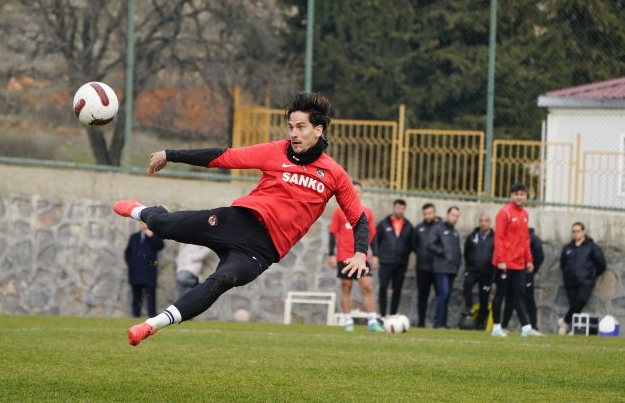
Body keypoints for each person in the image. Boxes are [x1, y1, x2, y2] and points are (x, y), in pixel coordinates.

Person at [114, 92, 371, 346]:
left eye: (300, 127)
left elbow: (359, 219)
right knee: (162, 224)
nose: (293, 133)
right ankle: (139, 210)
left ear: (318, 130)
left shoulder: (335, 174)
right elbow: (222, 157)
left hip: (261, 250)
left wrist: (360, 253)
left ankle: (151, 325)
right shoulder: (275, 151)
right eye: (291, 126)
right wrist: (170, 154)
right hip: (236, 221)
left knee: (220, 281)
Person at [328, 181, 384, 332]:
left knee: (367, 286)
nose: (355, 194)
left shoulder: (367, 212)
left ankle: (372, 321)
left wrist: (376, 255)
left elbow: (371, 235)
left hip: (360, 258)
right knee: (346, 287)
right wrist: (331, 254)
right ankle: (348, 322)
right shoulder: (339, 212)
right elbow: (333, 233)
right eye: (353, 191)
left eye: (358, 191)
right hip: (344, 257)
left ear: (361, 193)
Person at [490, 183, 543, 338]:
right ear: (511, 195)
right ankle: (496, 328)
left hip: (519, 263)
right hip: (505, 262)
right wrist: (501, 260)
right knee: (500, 294)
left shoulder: (525, 214)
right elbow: (499, 238)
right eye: (516, 194)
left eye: (522, 194)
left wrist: (529, 259)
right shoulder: (504, 213)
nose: (519, 197)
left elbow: (525, 239)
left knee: (520, 294)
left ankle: (526, 328)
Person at [557, 222, 606, 335]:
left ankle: (564, 322)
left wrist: (591, 275)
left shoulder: (591, 247)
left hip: (586, 282)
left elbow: (601, 264)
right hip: (570, 282)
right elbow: (563, 264)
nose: (575, 233)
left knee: (581, 301)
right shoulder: (567, 248)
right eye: (573, 231)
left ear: (583, 232)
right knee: (574, 305)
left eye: (578, 231)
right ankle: (574, 330)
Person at [371, 199, 413, 318]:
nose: (400, 210)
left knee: (397, 289)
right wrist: (376, 255)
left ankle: (393, 314)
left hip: (401, 263)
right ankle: (383, 314)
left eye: (402, 209)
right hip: (385, 262)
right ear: (394, 208)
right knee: (383, 287)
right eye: (398, 208)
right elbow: (375, 240)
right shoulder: (384, 224)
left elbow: (411, 243)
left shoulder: (408, 226)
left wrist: (405, 254)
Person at [426, 206, 462, 328]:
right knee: (443, 294)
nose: (454, 218)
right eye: (453, 215)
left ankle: (443, 322)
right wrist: (443, 252)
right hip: (441, 268)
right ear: (447, 214)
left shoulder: (455, 232)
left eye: (457, 216)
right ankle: (438, 322)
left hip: (452, 269)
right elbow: (430, 244)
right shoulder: (438, 228)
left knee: (447, 296)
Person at [502, 227, 544, 330]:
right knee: (510, 299)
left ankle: (533, 326)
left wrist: (531, 270)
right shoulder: (512, 237)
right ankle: (504, 325)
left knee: (528, 299)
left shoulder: (533, 239)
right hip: (513, 271)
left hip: (525, 273)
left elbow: (539, 256)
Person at [124, 222, 165, 318]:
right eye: (142, 223)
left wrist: (152, 236)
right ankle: (135, 314)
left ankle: (152, 315)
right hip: (135, 271)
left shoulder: (154, 236)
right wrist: (131, 265)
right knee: (136, 294)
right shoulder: (134, 237)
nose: (144, 225)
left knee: (150, 294)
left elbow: (160, 246)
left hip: (149, 271)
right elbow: (127, 253)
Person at [462, 213, 495, 330]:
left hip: (487, 272)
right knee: (467, 284)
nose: (483, 223)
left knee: (484, 298)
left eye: (486, 221)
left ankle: (481, 323)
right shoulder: (472, 236)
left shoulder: (494, 238)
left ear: (490, 223)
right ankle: (469, 307)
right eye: (481, 221)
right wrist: (469, 265)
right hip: (472, 269)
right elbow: (466, 252)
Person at [411, 203, 441, 327]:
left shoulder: (441, 227)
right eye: (425, 214)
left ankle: (438, 322)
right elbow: (413, 244)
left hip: (438, 267)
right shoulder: (419, 228)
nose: (427, 216)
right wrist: (421, 254)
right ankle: (421, 322)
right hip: (422, 267)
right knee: (422, 296)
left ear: (434, 213)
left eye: (430, 213)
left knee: (440, 295)